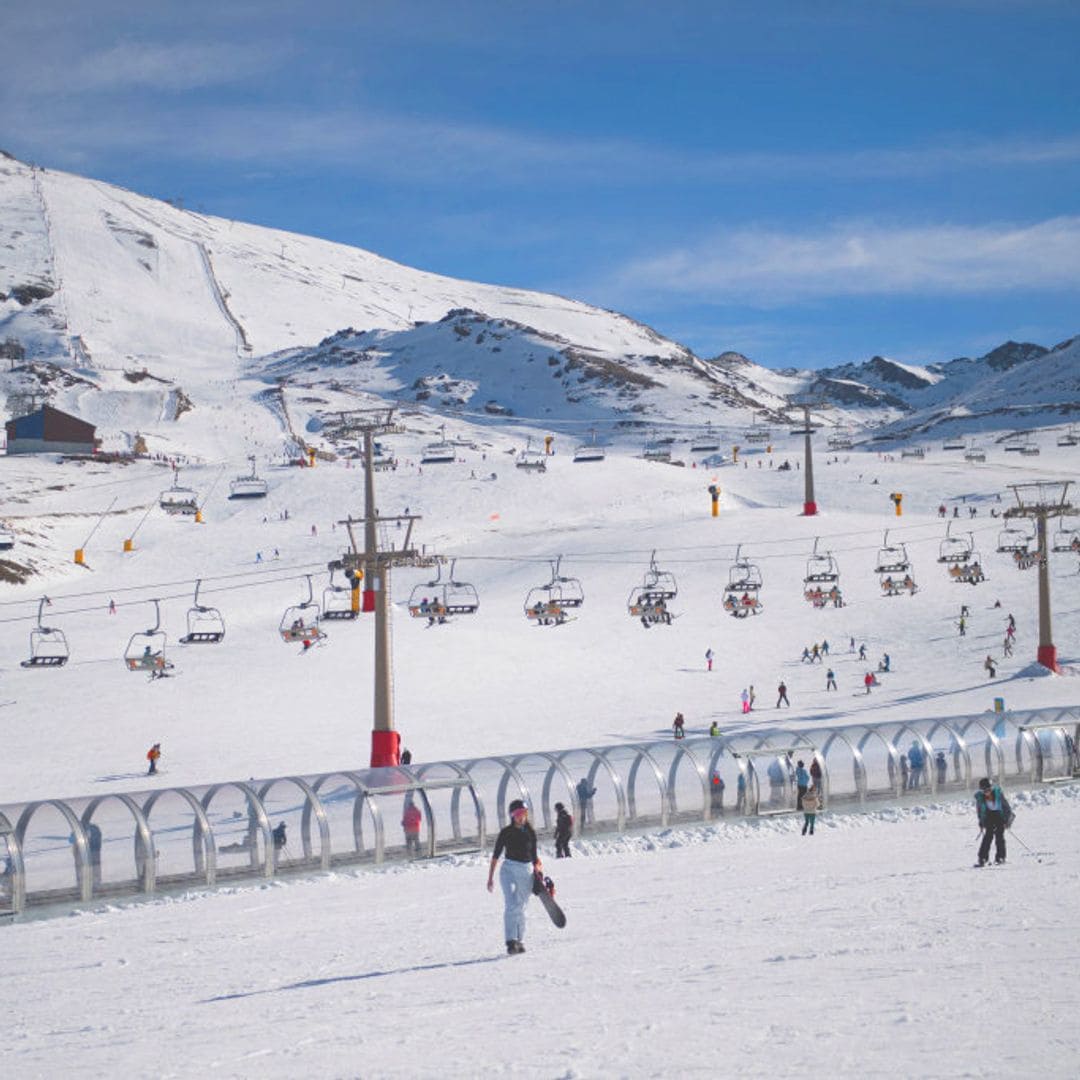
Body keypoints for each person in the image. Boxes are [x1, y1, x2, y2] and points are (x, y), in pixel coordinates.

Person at [486, 800, 541, 954]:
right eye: (518, 814)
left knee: (520, 907)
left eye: (524, 813)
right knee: (511, 904)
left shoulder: (531, 832)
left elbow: (535, 858)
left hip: (526, 870)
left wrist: (538, 874)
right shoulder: (506, 832)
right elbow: (496, 856)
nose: (521, 817)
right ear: (512, 815)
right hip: (508, 869)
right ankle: (511, 941)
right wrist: (490, 878)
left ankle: (520, 940)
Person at [975, 777, 1012, 866]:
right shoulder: (980, 798)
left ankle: (1000, 857)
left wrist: (1007, 821)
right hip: (988, 817)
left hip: (999, 816)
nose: (987, 792)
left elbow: (1007, 808)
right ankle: (983, 858)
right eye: (984, 790)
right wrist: (981, 822)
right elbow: (980, 811)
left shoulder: (999, 795)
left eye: (988, 789)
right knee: (988, 836)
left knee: (999, 836)